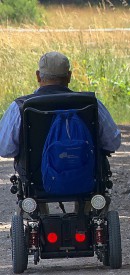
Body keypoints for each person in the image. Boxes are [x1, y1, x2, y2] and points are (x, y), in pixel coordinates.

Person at [0, 51, 121, 212]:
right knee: (93, 196)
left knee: (32, 190)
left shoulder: (21, 106)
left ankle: (40, 224)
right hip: (86, 177)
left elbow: (6, 149)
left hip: (37, 181)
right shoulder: (90, 104)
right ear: (69, 76)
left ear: (38, 76)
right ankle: (85, 222)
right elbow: (112, 142)